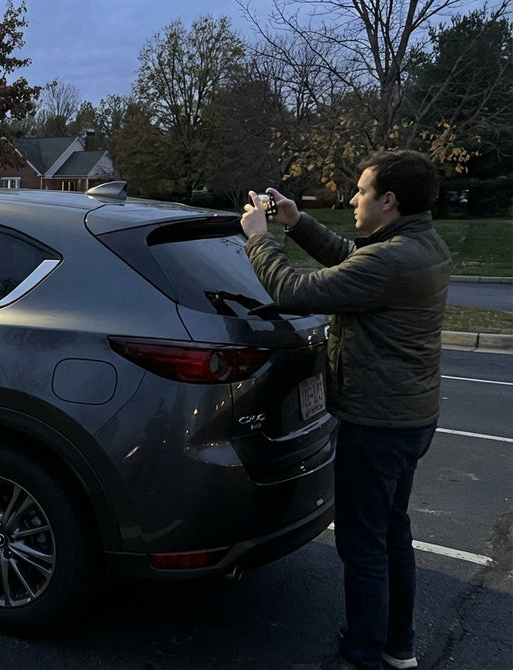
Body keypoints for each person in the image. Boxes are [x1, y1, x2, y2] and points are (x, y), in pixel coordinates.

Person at [238, 150, 451, 670]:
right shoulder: (420, 244)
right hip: (409, 417)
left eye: (361, 191)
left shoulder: (391, 261)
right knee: (391, 533)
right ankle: (396, 648)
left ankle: (361, 657)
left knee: (362, 546)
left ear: (389, 200)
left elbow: (294, 291)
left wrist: (260, 239)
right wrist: (297, 222)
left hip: (377, 424)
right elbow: (350, 258)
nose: (353, 199)